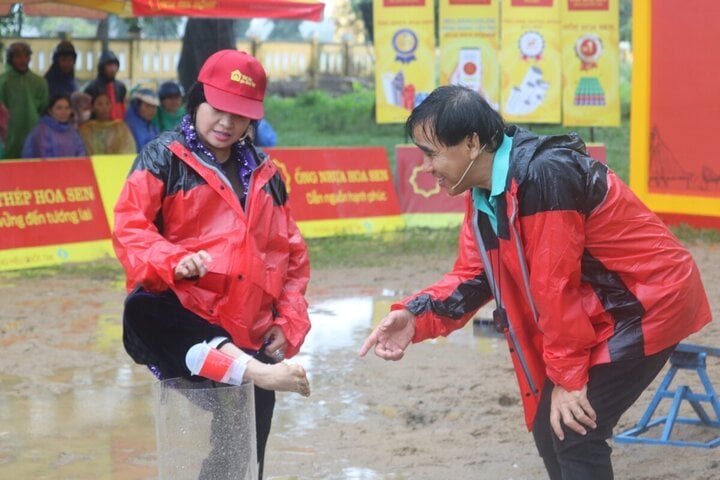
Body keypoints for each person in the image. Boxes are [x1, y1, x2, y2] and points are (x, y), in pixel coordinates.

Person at [359, 85, 712, 480]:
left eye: (431, 153)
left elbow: (553, 287)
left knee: (575, 430)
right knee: (550, 428)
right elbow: (476, 276)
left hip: (651, 300)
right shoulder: (483, 192)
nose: (425, 167)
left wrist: (570, 379)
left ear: (472, 143)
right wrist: (415, 314)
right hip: (607, 304)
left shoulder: (544, 175)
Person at [112, 49, 311, 479]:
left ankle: (250, 368)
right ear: (196, 99)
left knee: (241, 461)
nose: (226, 123)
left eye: (240, 115)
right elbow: (130, 229)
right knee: (141, 309)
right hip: (187, 320)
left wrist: (289, 321)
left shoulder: (267, 174)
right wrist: (173, 260)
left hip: (250, 332)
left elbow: (292, 256)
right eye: (218, 109)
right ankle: (251, 370)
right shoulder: (161, 157)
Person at [0, 41, 49, 159]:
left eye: (26, 56)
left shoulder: (39, 82)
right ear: (11, 58)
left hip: (33, 129)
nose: (23, 60)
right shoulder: (3, 81)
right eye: (18, 56)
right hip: (9, 132)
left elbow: (44, 106)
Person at [21, 94, 87, 159]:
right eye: (59, 108)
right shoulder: (42, 131)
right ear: (50, 111)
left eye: (67, 108)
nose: (64, 112)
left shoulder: (72, 131)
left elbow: (80, 151)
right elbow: (42, 156)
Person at [83, 50, 127, 121]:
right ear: (102, 67)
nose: (113, 69)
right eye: (109, 65)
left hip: (117, 126)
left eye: (115, 65)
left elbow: (123, 109)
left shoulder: (121, 87)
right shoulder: (92, 88)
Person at [124, 87, 160, 152]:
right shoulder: (129, 126)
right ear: (137, 105)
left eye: (154, 107)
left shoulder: (152, 126)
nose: (152, 110)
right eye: (147, 106)